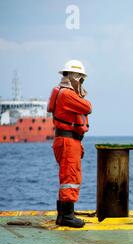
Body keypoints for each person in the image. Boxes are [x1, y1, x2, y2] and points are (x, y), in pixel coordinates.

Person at [47, 60, 92, 228]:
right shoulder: (67, 94)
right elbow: (87, 107)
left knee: (68, 176)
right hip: (67, 141)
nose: (81, 82)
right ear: (75, 76)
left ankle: (63, 215)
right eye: (80, 78)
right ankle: (67, 216)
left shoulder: (62, 92)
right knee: (70, 178)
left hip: (68, 140)